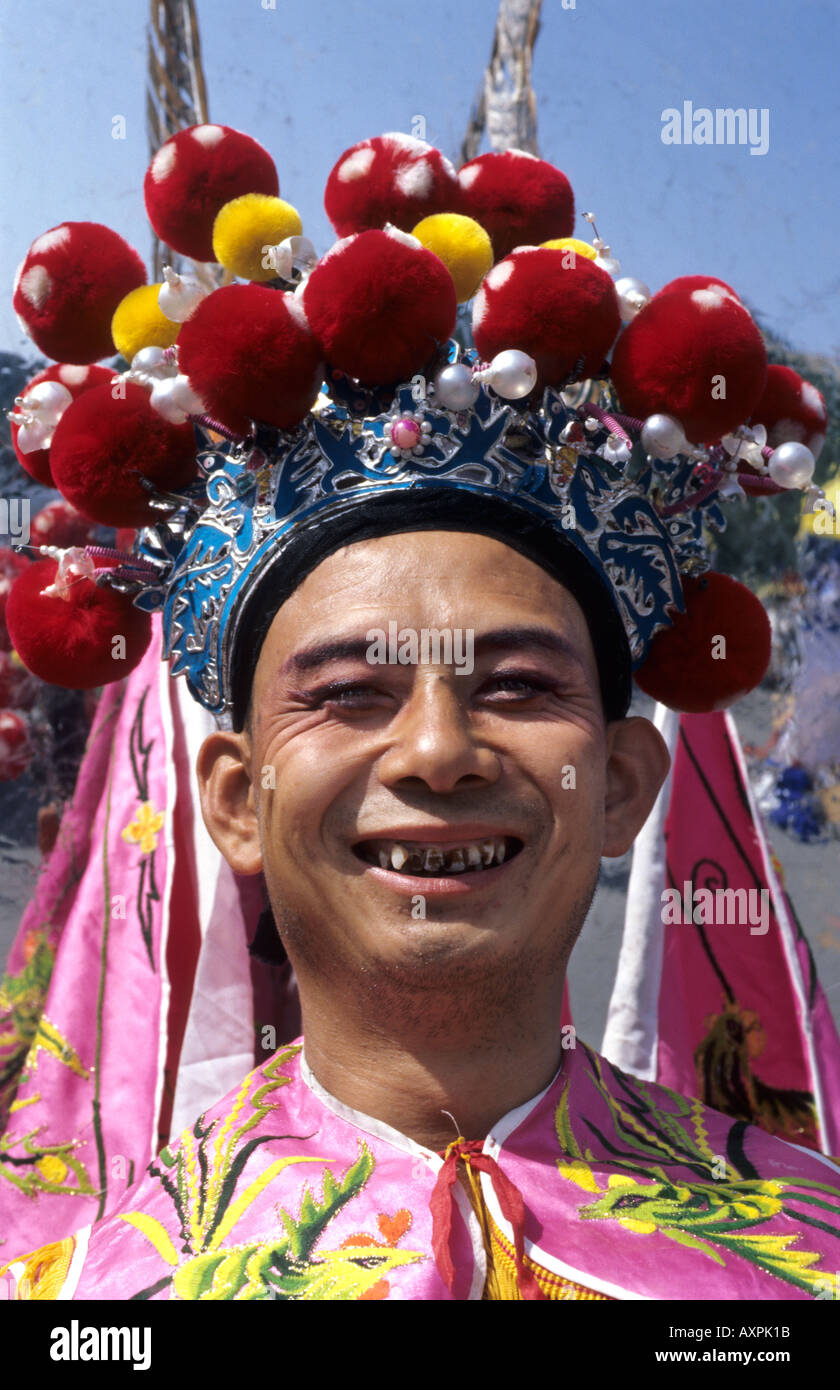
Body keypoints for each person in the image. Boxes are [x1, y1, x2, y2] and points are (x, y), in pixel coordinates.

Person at [4, 128, 839, 1301]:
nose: (440, 752)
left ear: (619, 784)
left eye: (517, 685)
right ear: (237, 798)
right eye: (350, 693)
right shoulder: (84, 1295)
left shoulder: (811, 1253)